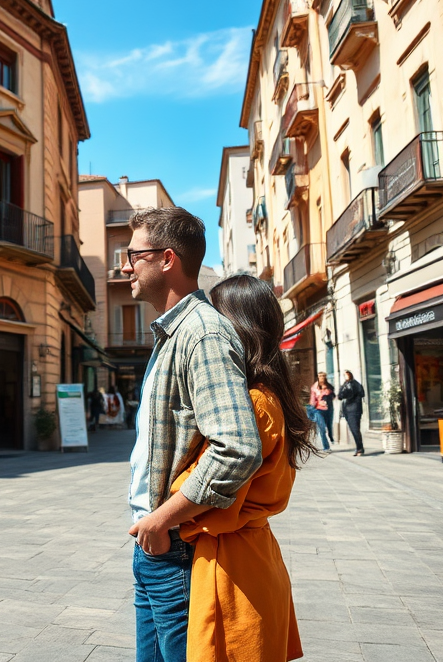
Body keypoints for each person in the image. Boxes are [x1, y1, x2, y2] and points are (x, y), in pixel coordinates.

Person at [123, 207, 262, 662]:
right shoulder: (173, 335)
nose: (125, 265)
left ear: (166, 259)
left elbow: (238, 449)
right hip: (157, 546)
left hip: (176, 549)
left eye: (133, 255)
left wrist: (162, 521)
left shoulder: (201, 334)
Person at [167, 275, 312, 662]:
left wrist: (163, 515)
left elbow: (207, 491)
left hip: (233, 568)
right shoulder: (269, 395)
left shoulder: (252, 403)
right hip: (256, 557)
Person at [338, 370, 365, 456]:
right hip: (353, 410)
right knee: (356, 429)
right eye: (344, 375)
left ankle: (359, 449)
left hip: (352, 410)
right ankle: (359, 448)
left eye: (346, 375)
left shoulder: (350, 384)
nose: (345, 377)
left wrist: (343, 389)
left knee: (354, 429)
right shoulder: (353, 384)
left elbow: (341, 395)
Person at [308, 373, 332, 451]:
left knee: (329, 427)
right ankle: (326, 447)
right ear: (318, 377)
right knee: (322, 429)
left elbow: (333, 396)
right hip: (319, 410)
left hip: (328, 410)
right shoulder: (314, 387)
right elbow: (312, 399)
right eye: (320, 376)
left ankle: (331, 439)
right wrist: (312, 407)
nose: (322, 378)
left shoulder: (329, 387)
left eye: (323, 376)